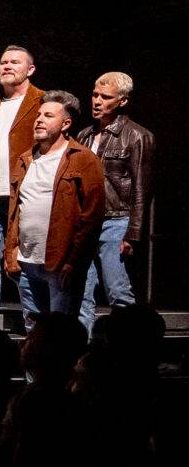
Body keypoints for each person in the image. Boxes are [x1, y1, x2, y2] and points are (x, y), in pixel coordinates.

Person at [2, 91, 107, 325]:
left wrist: (72, 261)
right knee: (34, 328)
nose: (39, 119)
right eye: (39, 114)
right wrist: (11, 253)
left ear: (66, 124)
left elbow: (91, 217)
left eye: (48, 115)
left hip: (59, 263)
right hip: (26, 262)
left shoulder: (83, 159)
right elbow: (14, 211)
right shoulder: (25, 158)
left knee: (60, 329)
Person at [0, 46, 42, 325]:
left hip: (23, 195)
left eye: (15, 62)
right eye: (3, 62)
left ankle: (34, 326)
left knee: (23, 263)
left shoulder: (42, 101)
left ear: (30, 69)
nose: (7, 66)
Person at [82, 72, 152, 318]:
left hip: (116, 220)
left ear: (122, 101)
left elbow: (142, 187)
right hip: (86, 222)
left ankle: (132, 345)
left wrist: (133, 233)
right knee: (82, 291)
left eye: (105, 97)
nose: (97, 101)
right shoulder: (85, 135)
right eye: (94, 95)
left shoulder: (137, 136)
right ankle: (82, 349)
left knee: (117, 290)